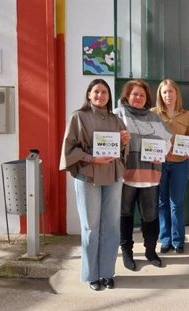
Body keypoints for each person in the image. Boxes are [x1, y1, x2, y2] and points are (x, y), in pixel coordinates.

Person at [60, 79, 130, 291]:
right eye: (96, 92)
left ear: (109, 97)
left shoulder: (116, 119)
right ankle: (91, 275)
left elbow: (122, 150)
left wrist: (125, 142)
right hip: (88, 176)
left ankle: (107, 273)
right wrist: (92, 158)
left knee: (110, 226)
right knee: (91, 227)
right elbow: (68, 150)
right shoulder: (78, 117)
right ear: (89, 94)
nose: (101, 96)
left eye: (105, 93)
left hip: (113, 175)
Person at [114, 80, 171, 271]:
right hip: (126, 175)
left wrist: (161, 153)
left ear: (147, 98)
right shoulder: (118, 114)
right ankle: (127, 253)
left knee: (150, 215)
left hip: (150, 175)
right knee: (125, 214)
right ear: (127, 96)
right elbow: (108, 140)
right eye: (134, 94)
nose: (138, 98)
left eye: (142, 95)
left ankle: (150, 251)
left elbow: (168, 140)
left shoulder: (155, 117)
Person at [155, 79, 189, 254]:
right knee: (162, 202)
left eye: (171, 91)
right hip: (160, 164)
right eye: (164, 92)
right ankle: (165, 239)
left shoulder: (186, 115)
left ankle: (178, 240)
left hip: (180, 164)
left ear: (176, 93)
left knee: (176, 203)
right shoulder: (153, 114)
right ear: (160, 95)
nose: (168, 95)